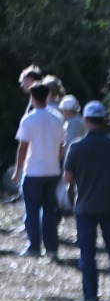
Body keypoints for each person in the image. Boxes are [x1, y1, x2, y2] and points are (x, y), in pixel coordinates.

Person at [63, 101, 110, 301]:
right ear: (105, 120)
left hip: (84, 206)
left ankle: (90, 296)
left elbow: (68, 177)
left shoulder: (76, 147)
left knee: (87, 252)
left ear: (85, 120)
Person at [14, 82, 65, 259]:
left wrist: (17, 171)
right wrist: (55, 163)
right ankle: (51, 249)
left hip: (33, 171)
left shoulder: (29, 119)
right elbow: (61, 146)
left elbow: (23, 148)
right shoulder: (57, 118)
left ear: (32, 97)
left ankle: (34, 247)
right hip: (52, 171)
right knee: (49, 210)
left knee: (32, 211)